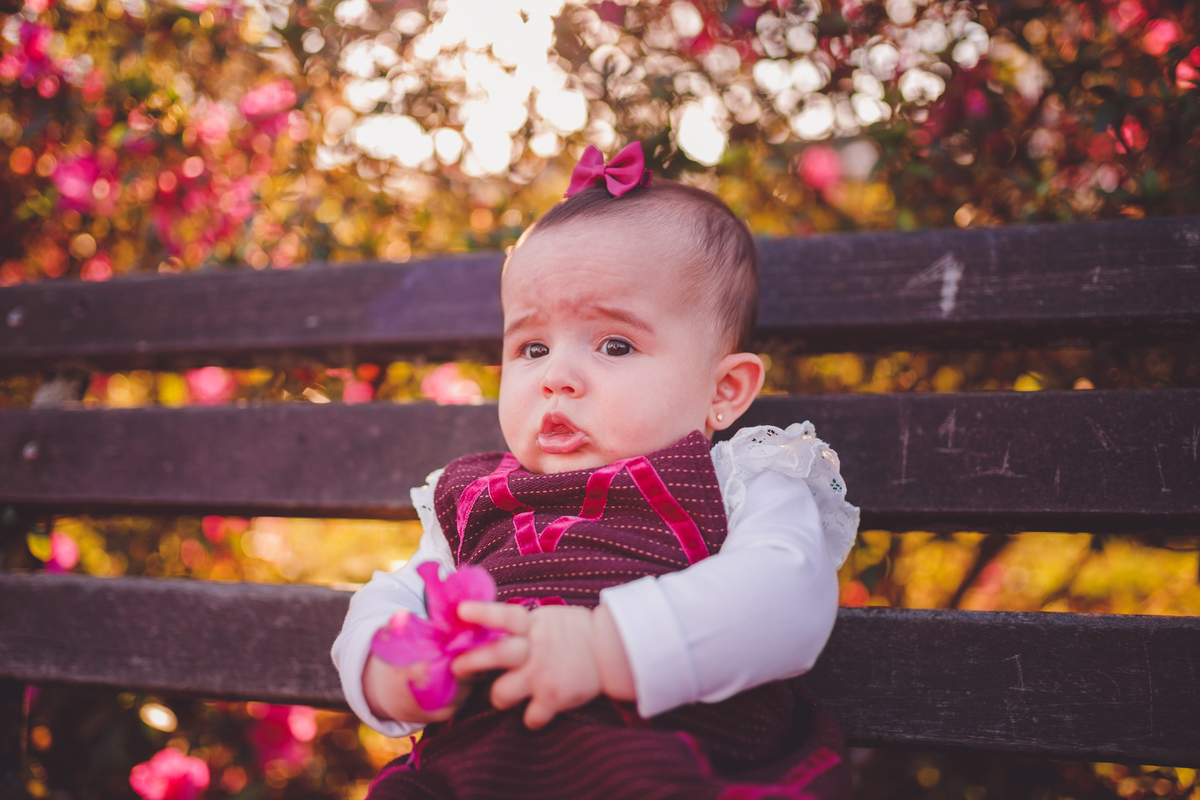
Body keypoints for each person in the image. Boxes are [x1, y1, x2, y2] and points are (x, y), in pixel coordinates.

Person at [332, 142, 860, 799]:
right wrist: (387, 660)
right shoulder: (471, 499)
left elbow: (788, 595)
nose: (556, 377)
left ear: (724, 392)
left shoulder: (739, 479)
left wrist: (606, 646)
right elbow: (399, 592)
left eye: (614, 344)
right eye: (531, 347)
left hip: (666, 769)